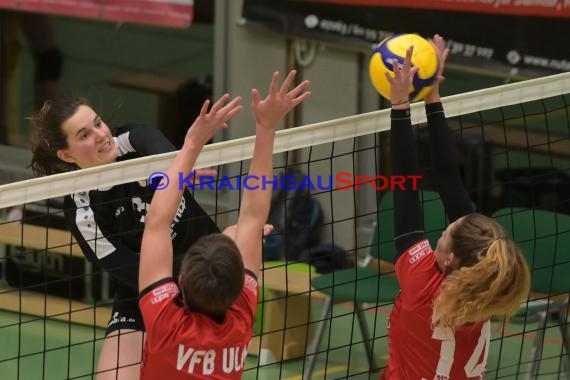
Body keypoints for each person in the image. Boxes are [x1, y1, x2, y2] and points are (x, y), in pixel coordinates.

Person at [28, 96, 233, 379]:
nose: (102, 135)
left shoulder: (131, 142)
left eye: (98, 123)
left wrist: (177, 166)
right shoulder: (81, 210)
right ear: (67, 155)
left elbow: (152, 142)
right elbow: (131, 271)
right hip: (145, 288)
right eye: (84, 135)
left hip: (208, 278)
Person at [137, 70, 310, 379]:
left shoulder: (167, 323)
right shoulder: (239, 316)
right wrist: (267, 127)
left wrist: (192, 144)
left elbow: (156, 223)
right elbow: (253, 217)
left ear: (183, 277)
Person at [382, 35, 531, 379]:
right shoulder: (485, 290)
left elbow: (406, 186)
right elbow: (450, 179)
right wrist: (432, 98)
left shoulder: (423, 285)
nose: (444, 228)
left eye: (446, 232)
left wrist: (400, 105)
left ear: (448, 259)